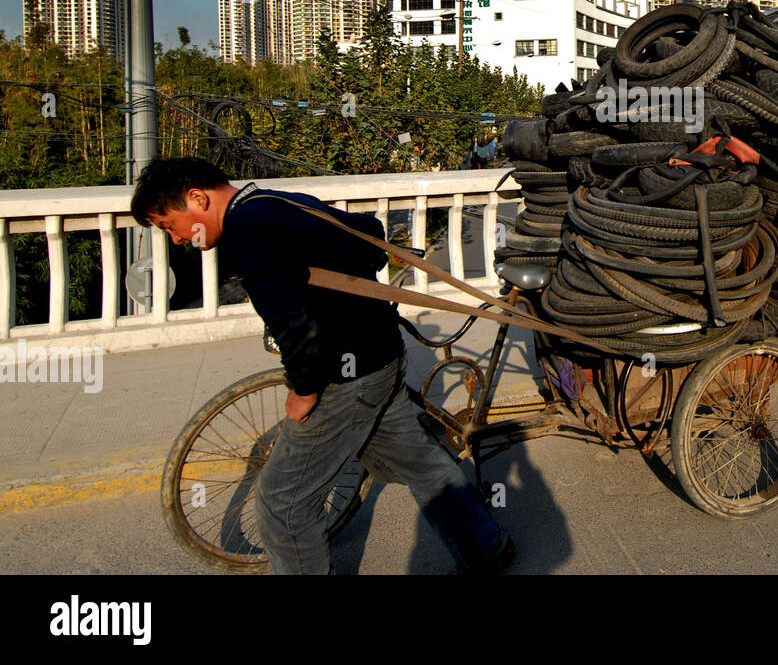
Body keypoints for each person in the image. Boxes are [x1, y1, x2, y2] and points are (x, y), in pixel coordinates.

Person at [130, 157, 515, 575]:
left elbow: (294, 322)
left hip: (344, 380)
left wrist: (304, 390)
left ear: (197, 198)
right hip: (381, 356)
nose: (176, 239)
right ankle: (488, 548)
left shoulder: (246, 231)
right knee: (422, 465)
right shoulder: (274, 201)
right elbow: (370, 235)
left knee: (283, 505)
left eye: (170, 225)